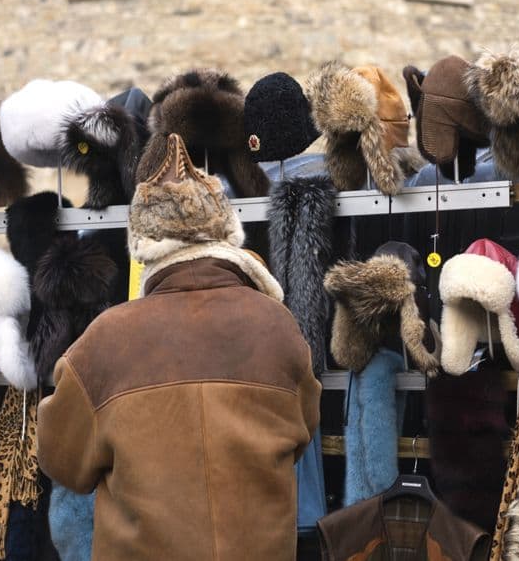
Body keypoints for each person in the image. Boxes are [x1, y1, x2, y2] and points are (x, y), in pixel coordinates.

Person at [37, 133, 322, 560]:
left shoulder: (106, 339)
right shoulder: (275, 325)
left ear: (145, 246)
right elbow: (302, 432)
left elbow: (63, 461)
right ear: (225, 234)